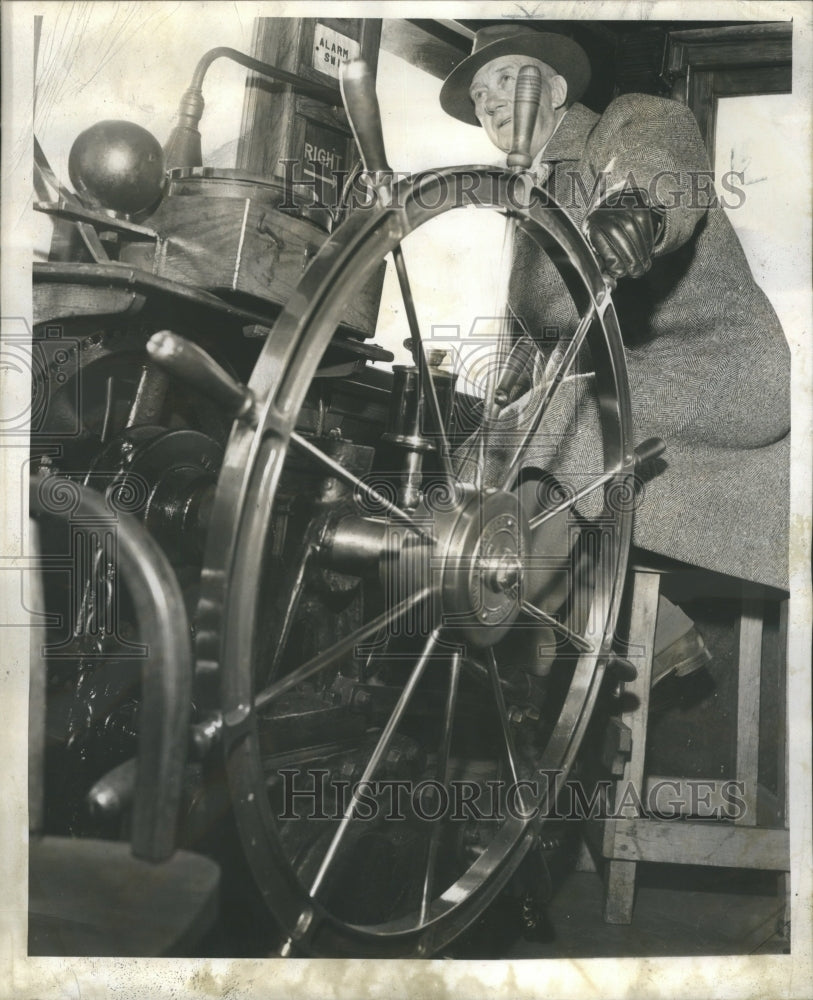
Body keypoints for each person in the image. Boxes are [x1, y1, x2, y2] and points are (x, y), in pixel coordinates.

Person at [440, 24, 790, 681]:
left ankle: (498, 656)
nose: (489, 101)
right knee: (479, 453)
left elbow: (661, 158)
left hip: (728, 369)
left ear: (555, 89)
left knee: (569, 419)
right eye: (479, 95)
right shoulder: (528, 211)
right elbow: (536, 347)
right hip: (628, 386)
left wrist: (636, 209)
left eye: (506, 80)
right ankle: (652, 635)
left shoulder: (621, 125)